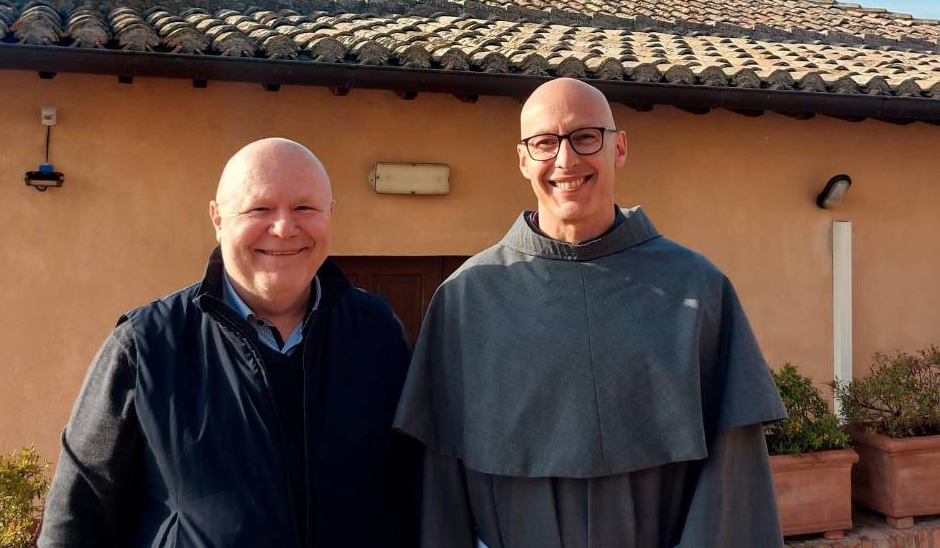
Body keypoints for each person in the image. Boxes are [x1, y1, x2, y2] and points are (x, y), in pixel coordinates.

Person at [394, 79, 787, 548]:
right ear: (523, 160)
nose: (565, 160)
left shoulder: (698, 288)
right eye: (544, 143)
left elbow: (732, 481)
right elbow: (440, 488)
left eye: (585, 137)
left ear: (618, 147)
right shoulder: (466, 298)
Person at [39, 138, 420, 547]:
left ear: (330, 213)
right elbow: (77, 517)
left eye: (304, 208)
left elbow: (413, 486)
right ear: (217, 219)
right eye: (259, 208)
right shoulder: (144, 346)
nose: (284, 227)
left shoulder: (377, 331)